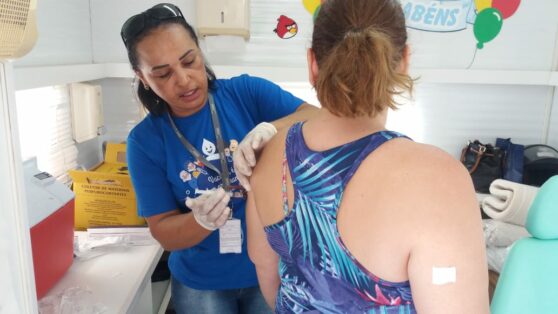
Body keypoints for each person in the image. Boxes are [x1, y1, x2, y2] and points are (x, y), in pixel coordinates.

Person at [246, 0, 490, 313]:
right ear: (403, 61)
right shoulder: (438, 180)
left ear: (312, 64)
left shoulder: (268, 154)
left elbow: (268, 279)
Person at [120, 3, 317, 313]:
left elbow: (316, 118)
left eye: (189, 61)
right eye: (163, 74)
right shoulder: (145, 141)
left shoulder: (245, 93)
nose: (183, 80)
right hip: (201, 283)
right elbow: (163, 232)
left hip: (265, 269)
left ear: (200, 51)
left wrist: (271, 128)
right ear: (142, 77)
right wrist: (201, 222)